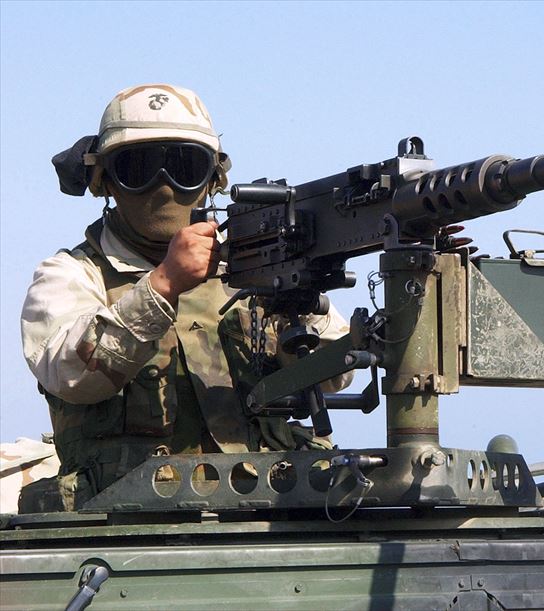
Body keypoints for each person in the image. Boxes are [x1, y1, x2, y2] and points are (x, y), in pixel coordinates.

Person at [20, 84, 351, 511]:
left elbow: (335, 375)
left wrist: (300, 300)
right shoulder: (71, 275)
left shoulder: (252, 269)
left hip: (269, 512)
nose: (163, 186)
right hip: (130, 523)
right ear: (105, 181)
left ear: (213, 179)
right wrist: (163, 285)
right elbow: (71, 376)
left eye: (183, 166)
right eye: (138, 167)